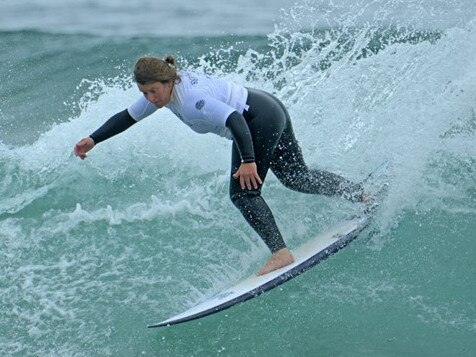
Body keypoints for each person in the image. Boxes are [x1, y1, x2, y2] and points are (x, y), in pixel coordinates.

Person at [74, 55, 367, 275]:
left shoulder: (190, 100)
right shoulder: (166, 90)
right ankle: (363, 194)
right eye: (144, 93)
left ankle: (280, 253)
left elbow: (234, 119)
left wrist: (249, 161)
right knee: (295, 177)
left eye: (153, 92)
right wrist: (93, 139)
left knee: (243, 194)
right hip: (269, 108)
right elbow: (128, 117)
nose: (150, 99)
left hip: (255, 120)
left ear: (167, 82)